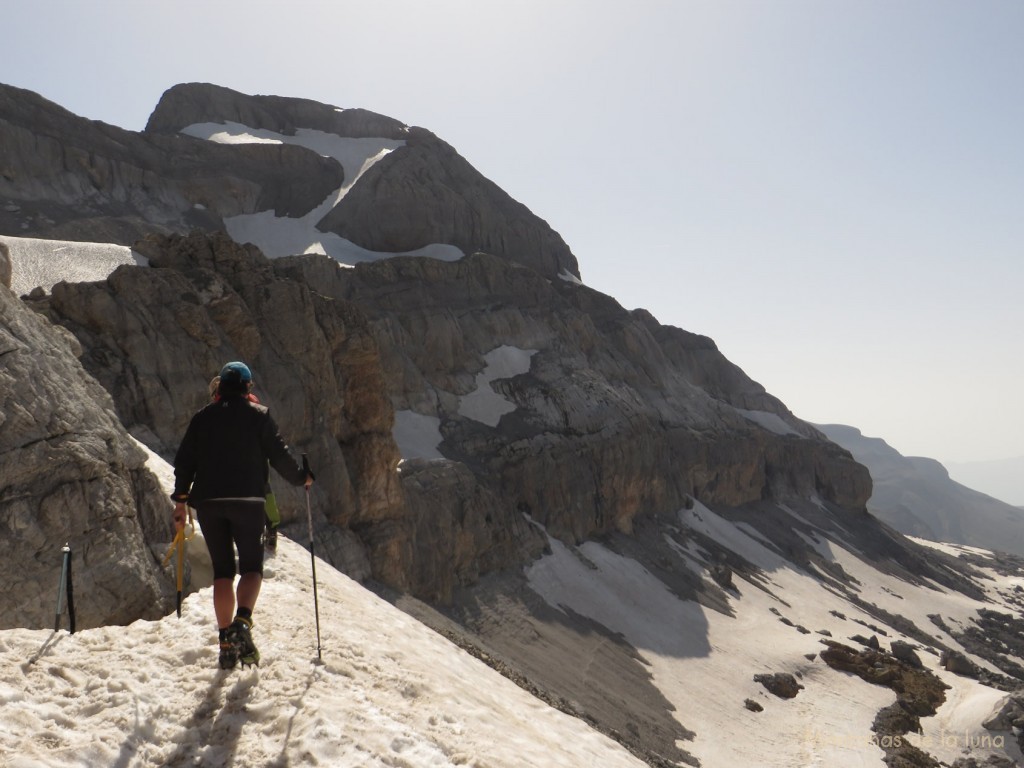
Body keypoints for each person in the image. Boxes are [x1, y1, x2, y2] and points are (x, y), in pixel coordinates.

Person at [173, 361, 312, 669]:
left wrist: (181, 502)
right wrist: (302, 477)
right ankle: (242, 623)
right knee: (251, 567)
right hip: (248, 500)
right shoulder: (258, 416)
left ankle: (225, 643)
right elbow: (280, 456)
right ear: (248, 388)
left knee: (222, 570)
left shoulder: (202, 418)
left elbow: (184, 462)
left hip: (209, 501)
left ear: (219, 386)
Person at [208, 375, 282, 555]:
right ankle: (271, 529)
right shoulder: (252, 405)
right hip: (254, 459)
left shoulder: (216, 408)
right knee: (265, 491)